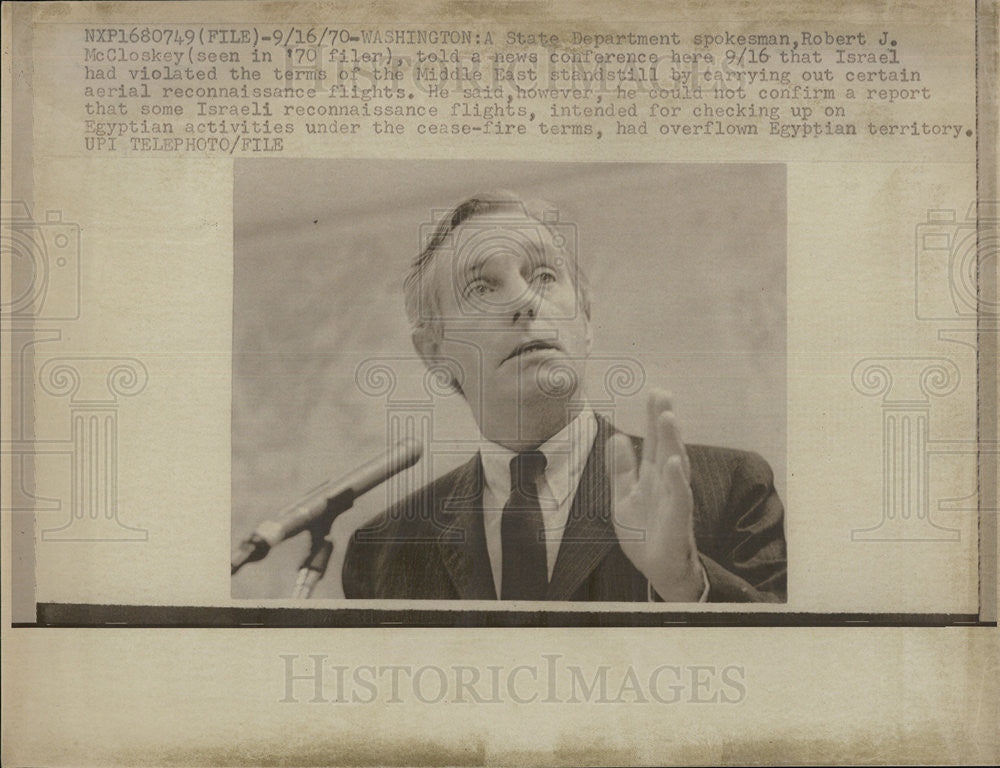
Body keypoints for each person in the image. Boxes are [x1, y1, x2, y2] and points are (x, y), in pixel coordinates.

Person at [342, 191, 786, 602]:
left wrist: (686, 583)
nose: (525, 301)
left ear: (586, 323)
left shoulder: (730, 487)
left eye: (545, 275)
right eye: (481, 288)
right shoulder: (383, 548)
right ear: (435, 353)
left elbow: (791, 674)